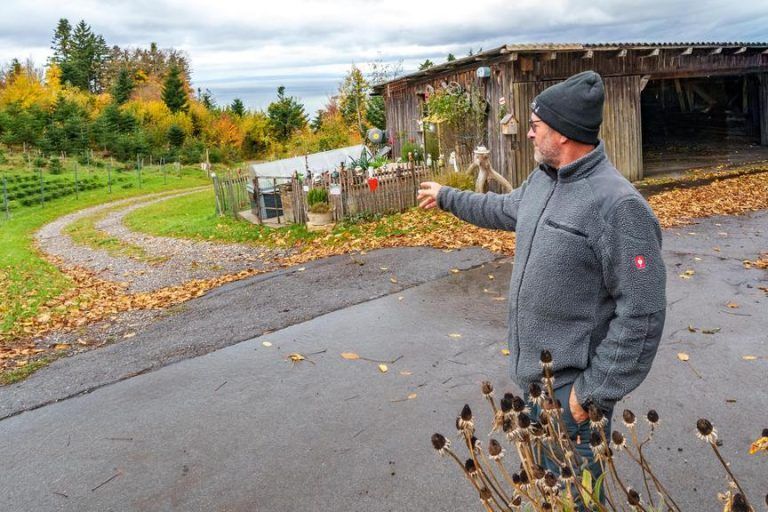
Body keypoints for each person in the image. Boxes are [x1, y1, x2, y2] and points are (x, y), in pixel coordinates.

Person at [417, 71, 667, 486]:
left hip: (573, 403)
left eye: (535, 126)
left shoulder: (618, 206)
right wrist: (447, 196)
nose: (530, 134)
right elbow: (501, 208)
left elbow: (643, 313)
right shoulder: (543, 181)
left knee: (578, 503)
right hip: (534, 395)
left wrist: (588, 396)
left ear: (563, 133)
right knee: (547, 499)